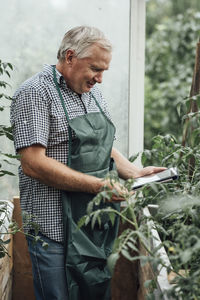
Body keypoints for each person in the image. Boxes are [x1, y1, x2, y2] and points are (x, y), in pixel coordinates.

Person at [10, 26, 165, 300]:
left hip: (91, 229)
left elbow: (100, 145)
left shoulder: (91, 92)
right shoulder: (35, 92)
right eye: (95, 68)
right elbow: (32, 163)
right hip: (53, 231)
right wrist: (98, 186)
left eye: (104, 70)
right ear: (70, 57)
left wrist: (134, 172)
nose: (101, 78)